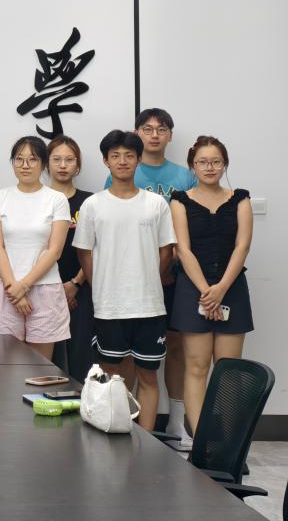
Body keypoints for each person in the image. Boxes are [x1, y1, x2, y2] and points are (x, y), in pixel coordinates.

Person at [74, 130, 176, 432]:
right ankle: (114, 434)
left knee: (148, 377)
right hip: (109, 307)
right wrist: (100, 285)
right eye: (115, 156)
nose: (122, 161)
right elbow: (84, 251)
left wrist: (148, 278)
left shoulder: (156, 204)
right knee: (111, 378)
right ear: (105, 161)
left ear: (138, 159)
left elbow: (166, 251)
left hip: (150, 306)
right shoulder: (93, 205)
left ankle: (147, 441)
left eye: (129, 155)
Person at [106, 108, 197, 441]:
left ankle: (175, 421)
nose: (155, 135)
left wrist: (169, 264)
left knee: (176, 345)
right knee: (130, 352)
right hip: (133, 278)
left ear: (170, 135)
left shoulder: (184, 176)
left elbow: (192, 225)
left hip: (177, 274)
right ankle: (126, 418)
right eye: (147, 128)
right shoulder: (124, 169)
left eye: (162, 129)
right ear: (137, 133)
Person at [170, 136, 253, 445]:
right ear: (192, 166)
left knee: (229, 372)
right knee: (196, 366)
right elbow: (183, 249)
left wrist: (221, 289)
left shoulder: (240, 199)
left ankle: (228, 446)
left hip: (232, 287)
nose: (209, 167)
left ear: (224, 164)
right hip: (193, 289)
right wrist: (208, 291)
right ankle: (202, 443)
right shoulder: (179, 201)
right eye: (203, 162)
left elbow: (242, 247)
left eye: (216, 161)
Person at [0, 136, 70, 359]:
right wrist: (15, 289)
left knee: (40, 366)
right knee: (4, 366)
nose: (25, 165)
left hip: (44, 289)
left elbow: (54, 250)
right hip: (5, 287)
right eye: (19, 159)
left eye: (32, 159)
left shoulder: (57, 199)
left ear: (43, 164)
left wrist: (24, 285)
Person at [46, 136, 94, 381]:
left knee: (81, 360)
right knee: (46, 363)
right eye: (57, 159)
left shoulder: (90, 201)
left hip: (82, 288)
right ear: (47, 164)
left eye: (69, 160)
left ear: (78, 165)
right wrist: (56, 288)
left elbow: (96, 247)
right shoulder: (39, 199)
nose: (63, 165)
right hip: (43, 288)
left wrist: (75, 283)